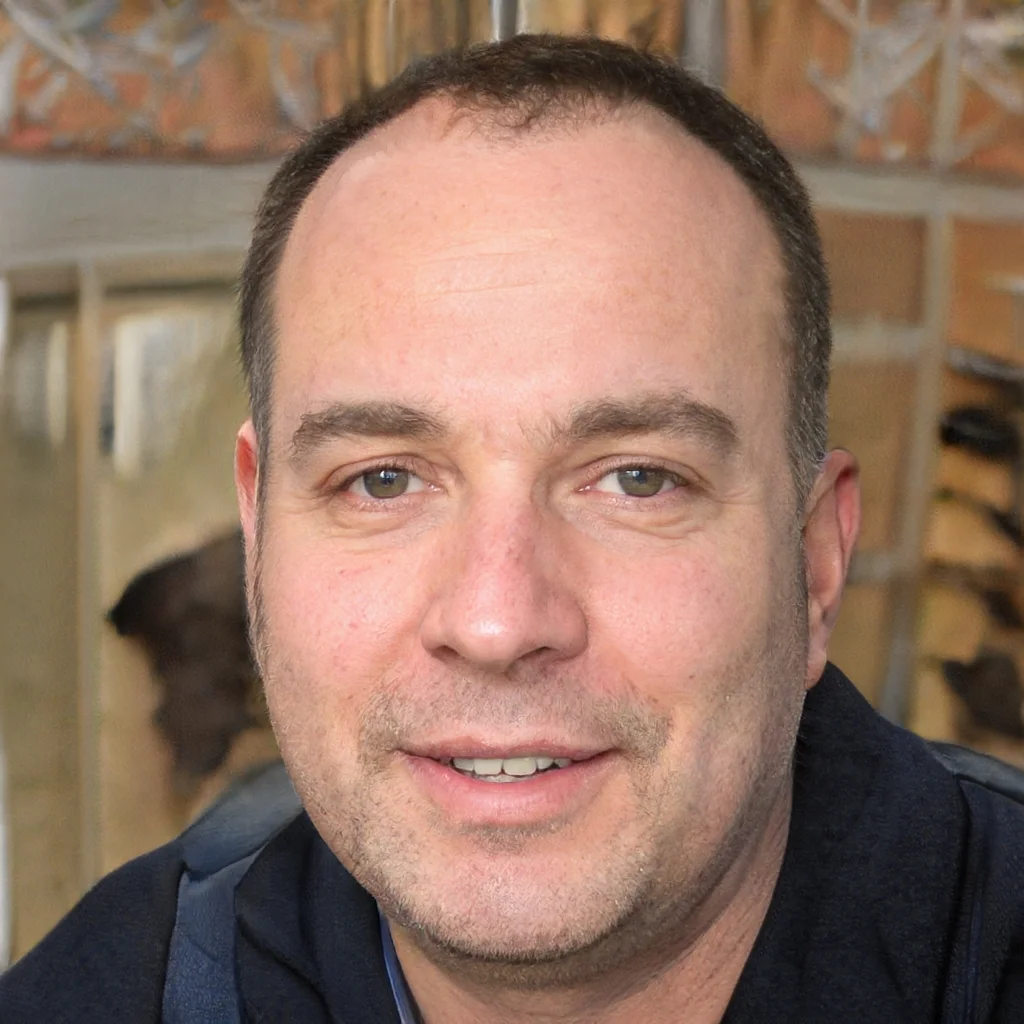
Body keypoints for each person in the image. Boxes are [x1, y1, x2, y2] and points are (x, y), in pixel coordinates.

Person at [3, 34, 1024, 1024]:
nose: (496, 621)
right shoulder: (109, 993)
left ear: (813, 564)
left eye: (635, 478)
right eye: (383, 479)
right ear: (258, 532)